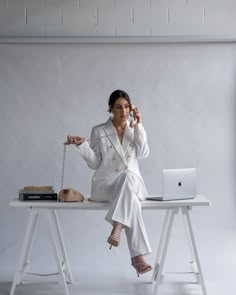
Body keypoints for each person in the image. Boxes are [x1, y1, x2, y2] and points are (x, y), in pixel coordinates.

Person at [65, 89, 152, 276]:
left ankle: (118, 228)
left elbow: (144, 153)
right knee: (132, 201)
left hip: (131, 184)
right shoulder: (99, 130)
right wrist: (82, 145)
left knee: (129, 180)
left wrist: (139, 125)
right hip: (106, 185)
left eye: (127, 106)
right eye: (119, 107)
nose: (124, 111)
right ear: (111, 109)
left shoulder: (134, 129)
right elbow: (95, 162)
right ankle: (137, 255)